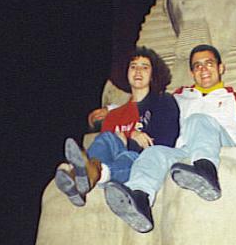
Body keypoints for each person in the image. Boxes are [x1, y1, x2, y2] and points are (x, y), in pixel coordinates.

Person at [103, 44, 236, 233]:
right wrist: (111, 110)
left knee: (198, 120)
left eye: (209, 64)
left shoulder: (233, 99)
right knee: (154, 153)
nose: (203, 69)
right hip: (186, 150)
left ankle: (206, 170)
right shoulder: (181, 97)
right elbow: (147, 103)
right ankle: (140, 199)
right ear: (192, 73)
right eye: (197, 66)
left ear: (220, 68)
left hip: (221, 146)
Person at [55, 47, 180, 207]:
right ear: (126, 72)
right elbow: (105, 149)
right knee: (107, 137)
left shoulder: (163, 101)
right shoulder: (114, 115)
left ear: (153, 74)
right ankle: (86, 176)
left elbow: (166, 141)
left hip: (144, 161)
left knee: (128, 155)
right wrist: (127, 138)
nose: (138, 71)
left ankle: (84, 178)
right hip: (114, 160)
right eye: (133, 66)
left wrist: (130, 138)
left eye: (144, 67)